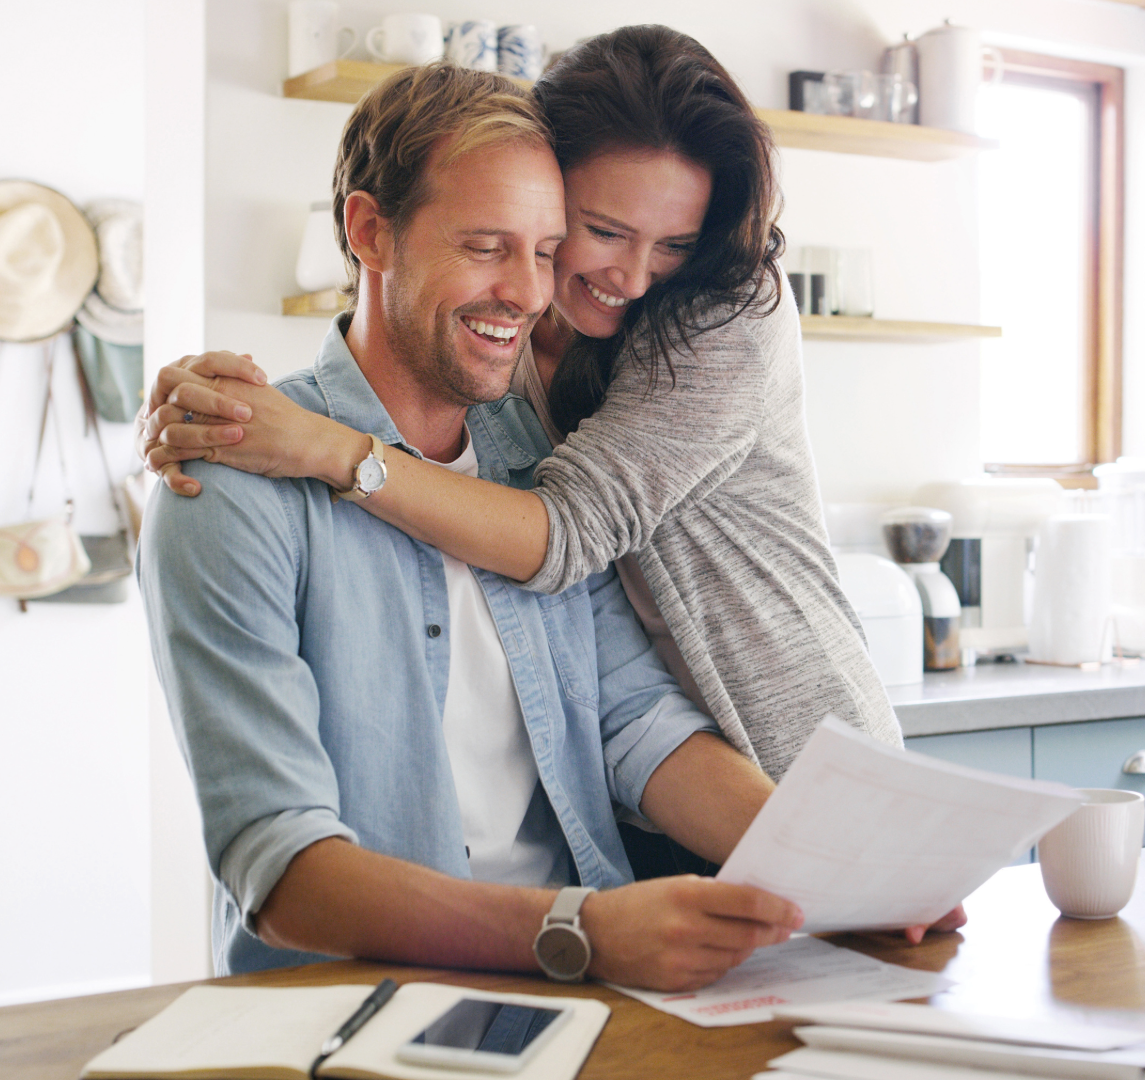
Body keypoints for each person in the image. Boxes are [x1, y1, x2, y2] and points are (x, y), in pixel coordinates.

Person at [141, 64, 808, 989]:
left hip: (578, 983)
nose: (528, 292)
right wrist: (580, 931)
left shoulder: (534, 465)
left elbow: (635, 722)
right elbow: (280, 864)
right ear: (369, 232)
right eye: (487, 246)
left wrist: (835, 866)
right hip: (357, 1008)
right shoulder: (231, 482)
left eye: (546, 250)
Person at [140, 25, 899, 786]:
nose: (636, 278)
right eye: (603, 231)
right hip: (642, 781)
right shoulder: (520, 332)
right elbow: (402, 319)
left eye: (674, 243)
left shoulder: (726, 314)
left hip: (798, 754)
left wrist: (324, 446)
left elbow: (565, 532)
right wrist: (211, 399)